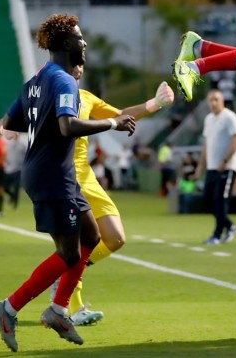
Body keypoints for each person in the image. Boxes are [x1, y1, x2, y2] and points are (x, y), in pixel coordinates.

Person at [0, 13, 135, 352]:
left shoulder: (36, 81)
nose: (84, 42)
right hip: (51, 175)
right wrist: (111, 124)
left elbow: (11, 121)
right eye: (78, 38)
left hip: (56, 172)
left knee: (91, 235)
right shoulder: (63, 81)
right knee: (70, 252)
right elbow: (68, 126)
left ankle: (59, 309)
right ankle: (9, 308)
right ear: (64, 44)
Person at [57, 64, 174, 327]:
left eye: (81, 63)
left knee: (115, 237)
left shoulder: (86, 98)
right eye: (75, 60)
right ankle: (71, 308)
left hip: (86, 178)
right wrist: (8, 124)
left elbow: (120, 116)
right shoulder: (48, 94)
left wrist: (154, 103)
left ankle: (61, 276)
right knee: (74, 243)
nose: (79, 66)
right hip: (60, 178)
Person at [195, 89, 236, 244]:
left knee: (220, 201)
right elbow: (206, 144)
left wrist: (225, 160)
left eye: (216, 99)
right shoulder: (209, 119)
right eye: (210, 100)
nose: (213, 102)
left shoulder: (229, 117)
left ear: (222, 101)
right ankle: (230, 226)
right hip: (212, 167)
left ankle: (217, 234)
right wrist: (200, 166)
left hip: (226, 167)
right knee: (208, 200)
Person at [3, 132, 26, 209]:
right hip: (9, 169)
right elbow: (4, 154)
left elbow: (26, 156)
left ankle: (15, 204)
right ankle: (12, 195)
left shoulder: (22, 146)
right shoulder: (8, 145)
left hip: (18, 169)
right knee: (4, 186)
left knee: (16, 187)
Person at [0, 134, 6, 217]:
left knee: (0, 190)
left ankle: (0, 210)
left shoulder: (2, 143)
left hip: (0, 169)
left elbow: (3, 156)